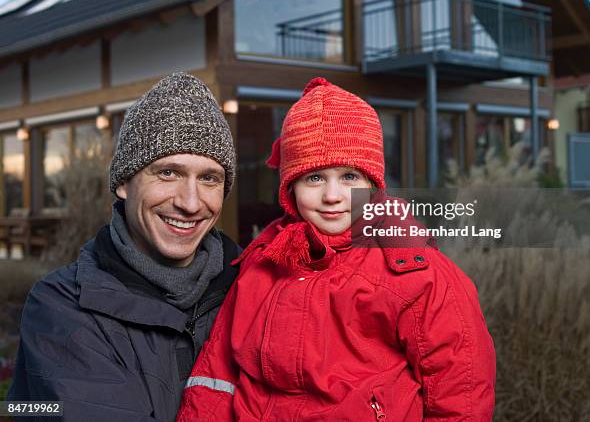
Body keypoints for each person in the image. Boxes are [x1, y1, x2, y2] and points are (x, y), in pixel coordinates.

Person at [178, 77, 496, 420]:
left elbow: (461, 393)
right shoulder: (262, 263)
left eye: (349, 177)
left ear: (372, 184)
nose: (332, 196)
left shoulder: (418, 274)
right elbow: (217, 374)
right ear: (290, 188)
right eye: (314, 178)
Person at [9, 72, 240, 422]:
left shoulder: (255, 290)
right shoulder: (63, 307)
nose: (191, 203)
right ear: (123, 184)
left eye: (209, 178)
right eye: (168, 173)